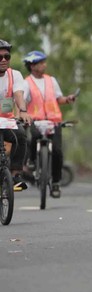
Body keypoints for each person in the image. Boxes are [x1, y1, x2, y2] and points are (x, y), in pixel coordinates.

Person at [23, 50, 76, 198]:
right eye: (41, 63)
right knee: (33, 136)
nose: (44, 65)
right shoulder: (26, 83)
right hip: (36, 120)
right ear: (32, 66)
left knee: (58, 151)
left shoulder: (51, 80)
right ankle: (32, 160)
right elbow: (23, 101)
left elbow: (59, 99)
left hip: (53, 121)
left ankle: (56, 183)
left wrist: (68, 99)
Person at [0, 40, 31, 191]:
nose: (3, 60)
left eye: (7, 56)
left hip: (6, 120)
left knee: (20, 135)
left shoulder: (15, 75)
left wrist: (23, 111)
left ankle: (15, 175)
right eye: (0, 57)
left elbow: (18, 95)